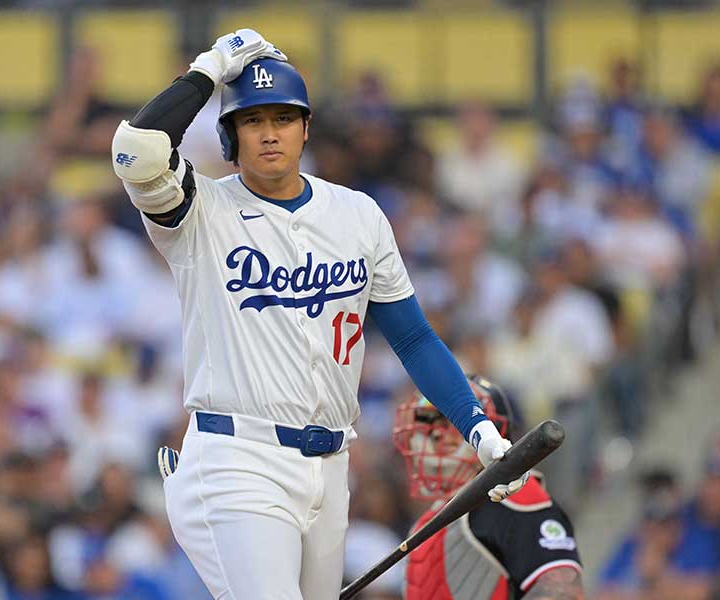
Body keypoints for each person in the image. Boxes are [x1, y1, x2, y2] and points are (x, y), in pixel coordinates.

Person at [109, 29, 524, 599]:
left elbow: (413, 339)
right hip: (238, 460)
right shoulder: (200, 210)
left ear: (306, 127)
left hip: (330, 467)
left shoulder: (358, 214)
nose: (269, 132)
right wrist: (211, 66)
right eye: (252, 120)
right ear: (229, 135)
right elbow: (137, 151)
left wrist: (478, 429)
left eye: (283, 117)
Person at [395, 375, 584, 600]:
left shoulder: (514, 496)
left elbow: (563, 592)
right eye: (428, 421)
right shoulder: (427, 520)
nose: (436, 432)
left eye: (450, 420)